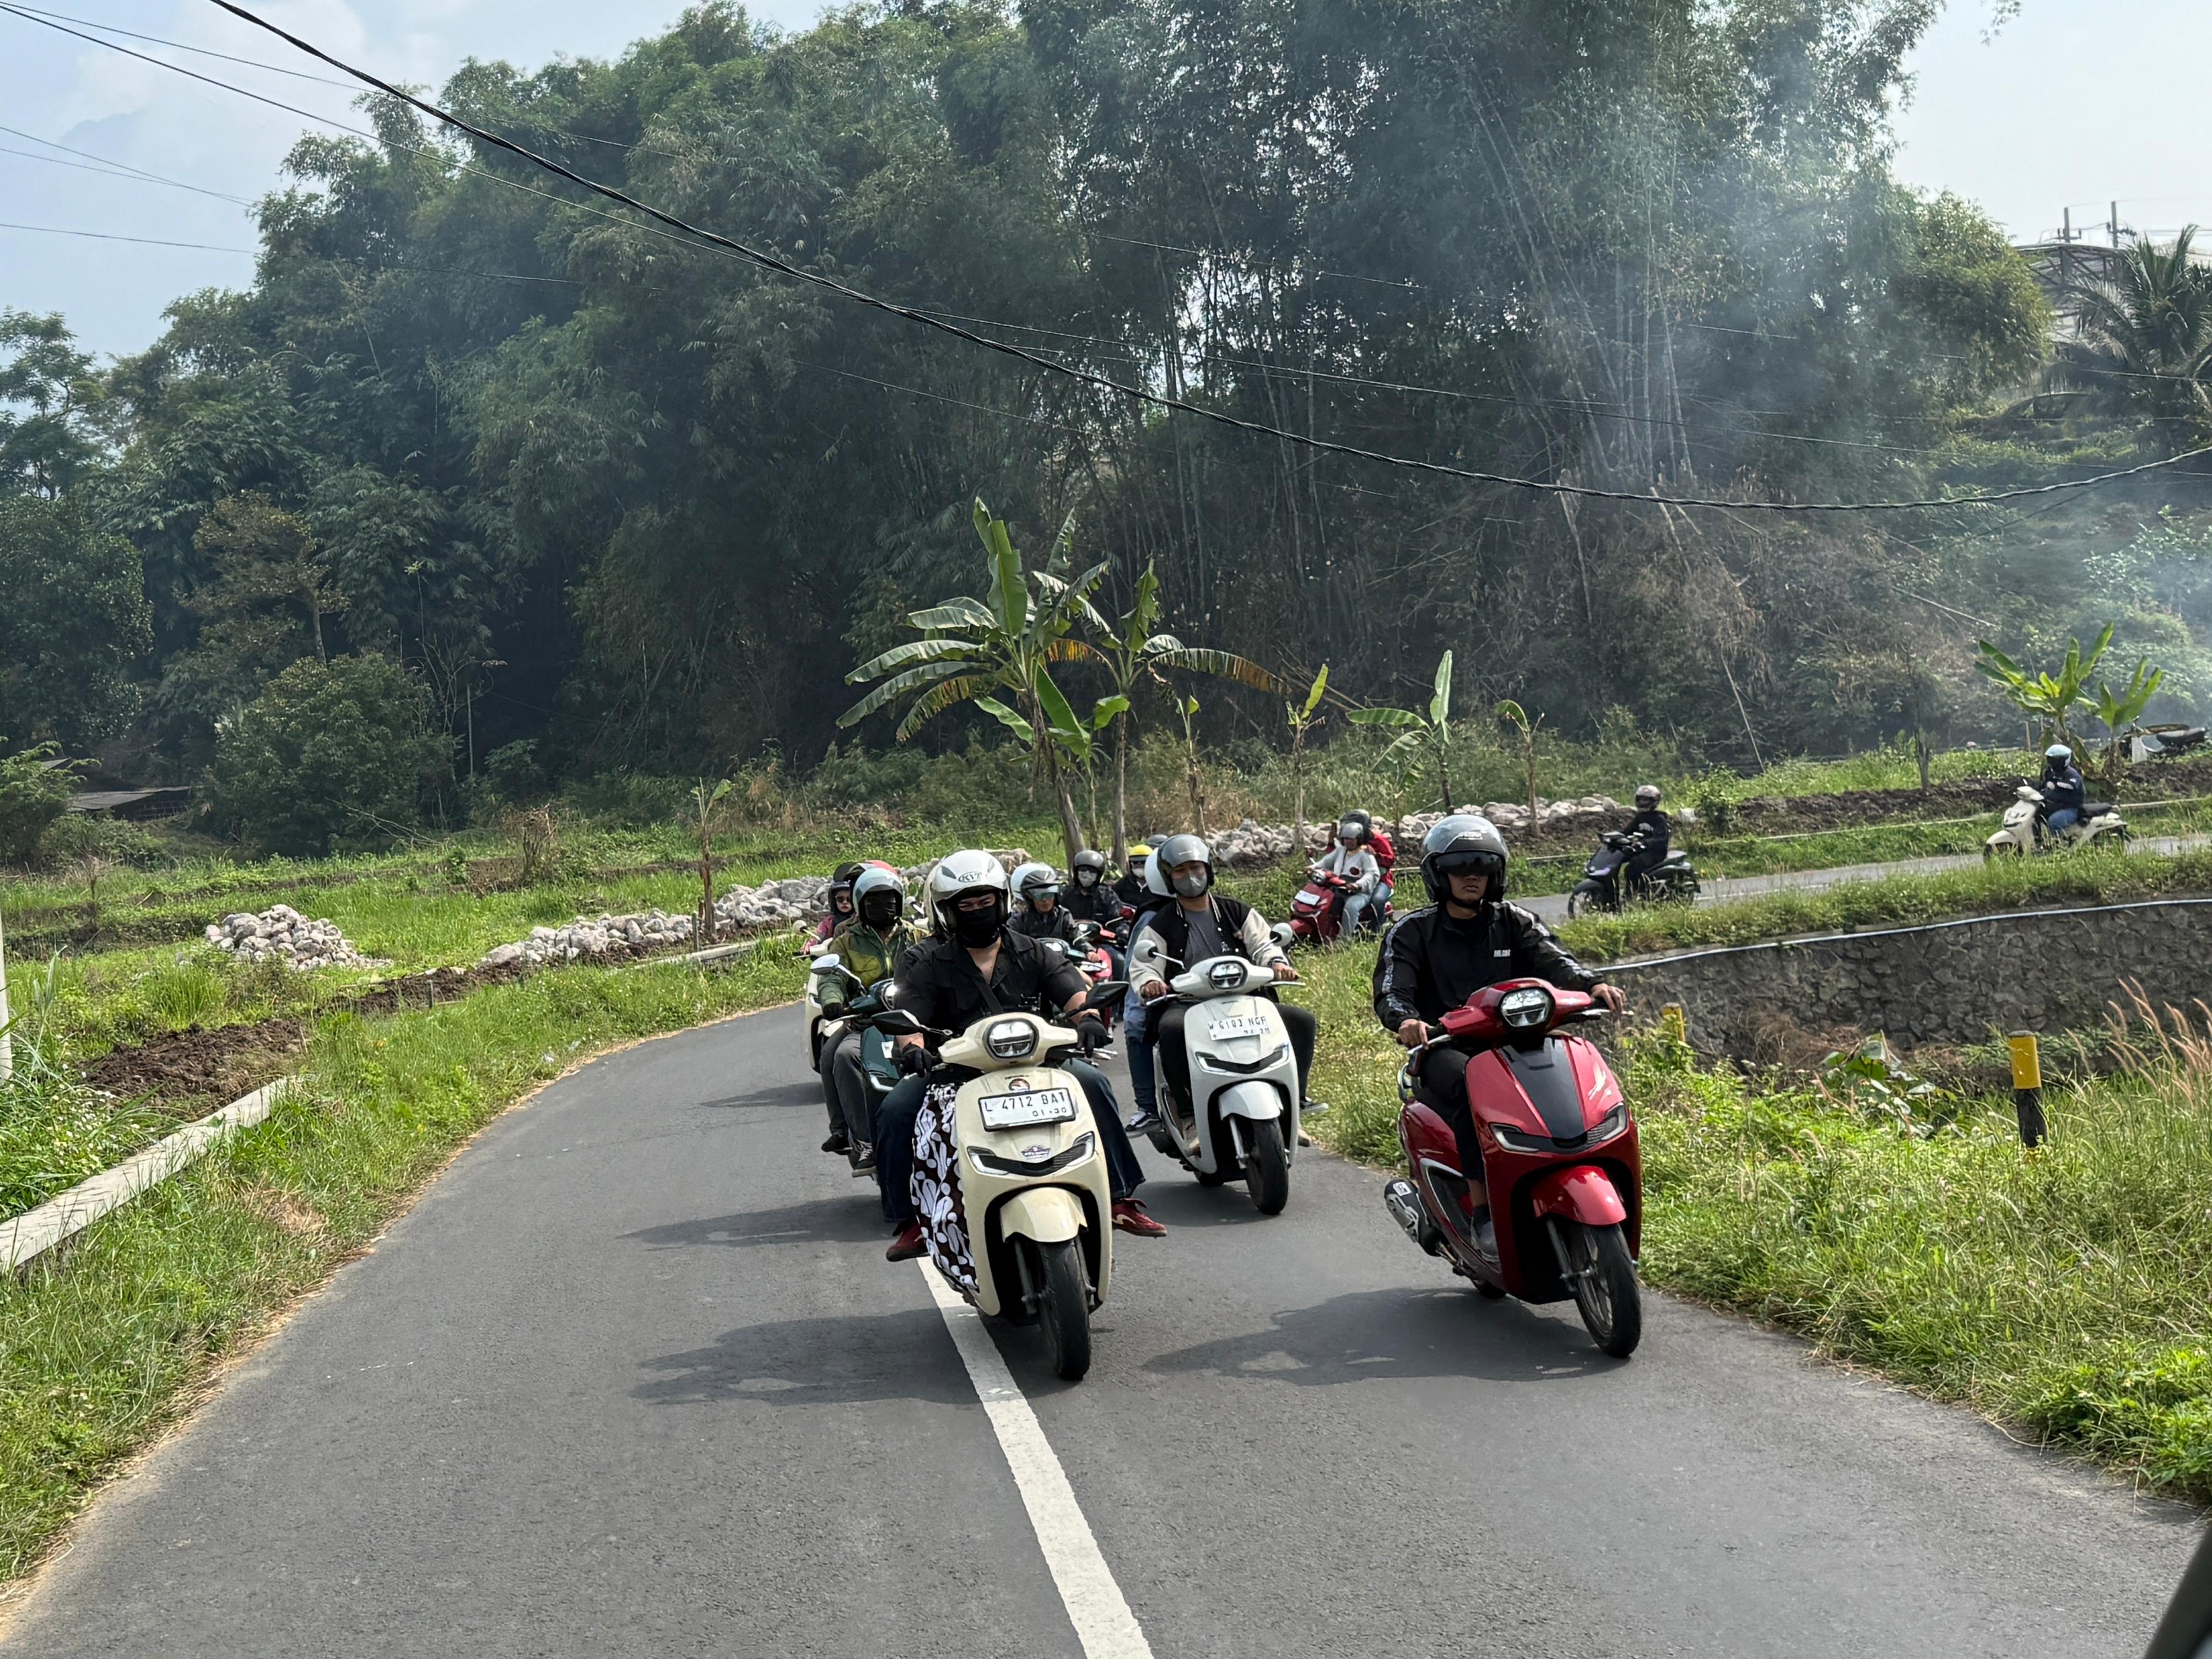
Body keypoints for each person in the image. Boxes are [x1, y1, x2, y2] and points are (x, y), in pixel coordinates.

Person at [874, 850, 1166, 1261]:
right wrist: (913, 1052)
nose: (977, 911)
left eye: (985, 901)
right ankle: (910, 1222)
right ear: (947, 911)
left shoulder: (1032, 950)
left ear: (1003, 901)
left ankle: (1117, 1200)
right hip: (952, 1072)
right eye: (966, 905)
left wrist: (1086, 1020)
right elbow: (909, 1019)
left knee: (1093, 1081)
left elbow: (1072, 992)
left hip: (1036, 1062)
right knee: (896, 1108)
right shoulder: (923, 960)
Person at [1373, 815, 1626, 1252]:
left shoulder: (1514, 920)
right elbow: (1393, 990)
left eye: (1482, 865)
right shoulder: (1412, 931)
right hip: (1447, 1048)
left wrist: (1591, 985)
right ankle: (1483, 1210)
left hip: (1520, 1039)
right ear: (1438, 874)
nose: (1472, 876)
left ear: (1497, 872)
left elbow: (1554, 959)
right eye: (1460, 866)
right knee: (1472, 1087)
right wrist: (1406, 1022)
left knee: (1577, 1067)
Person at [1130, 832, 1318, 1127]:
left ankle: (1297, 1100)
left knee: (1301, 1020)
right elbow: (1145, 965)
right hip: (1189, 1004)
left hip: (1246, 998)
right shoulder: (1159, 924)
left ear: (1208, 870)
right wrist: (1151, 982)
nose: (1190, 877)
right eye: (1180, 871)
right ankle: (1189, 1114)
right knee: (1170, 1029)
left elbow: (1265, 944)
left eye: (1196, 868)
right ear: (1168, 879)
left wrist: (1278, 962)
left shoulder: (1237, 911)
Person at [815, 866, 916, 1169]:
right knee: (839, 1056)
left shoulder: (916, 937)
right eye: (873, 901)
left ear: (900, 902)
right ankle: (860, 1138)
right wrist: (833, 1000)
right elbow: (831, 977)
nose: (883, 907)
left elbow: (939, 960)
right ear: (860, 905)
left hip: (915, 1020)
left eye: (889, 900)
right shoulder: (846, 941)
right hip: (865, 1022)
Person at [1311, 817, 1384, 939]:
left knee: (1351, 907)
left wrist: (1358, 884)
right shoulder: (1341, 851)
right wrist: (1312, 867)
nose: (1348, 842)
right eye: (1345, 839)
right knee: (1325, 902)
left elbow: (1372, 874)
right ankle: (1324, 933)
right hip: (1340, 887)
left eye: (1351, 839)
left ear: (1359, 839)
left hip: (1359, 892)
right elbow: (1325, 862)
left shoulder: (1366, 855)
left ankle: (1345, 939)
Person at [1618, 784, 1672, 897]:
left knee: (1633, 867)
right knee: (1617, 859)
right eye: (1640, 799)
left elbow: (1662, 839)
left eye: (1645, 800)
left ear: (1654, 802)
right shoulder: (1640, 818)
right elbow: (1627, 832)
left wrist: (1645, 842)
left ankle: (1635, 894)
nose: (1642, 802)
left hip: (1656, 853)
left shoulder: (1659, 819)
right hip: (1640, 850)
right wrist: (1616, 838)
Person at [1007, 862, 1080, 942]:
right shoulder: (1020, 919)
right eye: (1039, 896)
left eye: (1049, 895)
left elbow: (1076, 936)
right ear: (1030, 897)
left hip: (1059, 955)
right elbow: (1008, 938)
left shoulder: (1063, 915)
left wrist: (1089, 950)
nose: (1045, 900)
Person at [807, 863, 864, 956]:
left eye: (849, 899)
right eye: (840, 899)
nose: (845, 902)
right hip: (832, 957)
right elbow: (818, 935)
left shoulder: (861, 920)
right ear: (834, 901)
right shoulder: (829, 922)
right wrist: (809, 946)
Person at [2040, 744, 2087, 840]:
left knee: (2054, 822)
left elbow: (2070, 786)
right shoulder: (2051, 772)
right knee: (2037, 815)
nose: (2052, 762)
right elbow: (2042, 786)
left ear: (2064, 760)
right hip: (2056, 806)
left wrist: (2056, 785)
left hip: (2071, 808)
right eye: (2051, 759)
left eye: (2056, 759)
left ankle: (2059, 843)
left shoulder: (2071, 775)